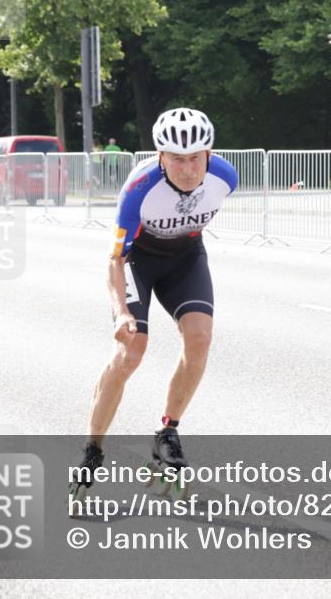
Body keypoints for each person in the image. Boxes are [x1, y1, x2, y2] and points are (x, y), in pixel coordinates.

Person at [68, 108, 238, 496]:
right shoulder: (139, 188)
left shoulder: (226, 177)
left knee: (200, 338)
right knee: (130, 351)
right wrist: (121, 311)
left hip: (186, 258)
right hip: (139, 261)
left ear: (209, 154)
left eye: (195, 157)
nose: (188, 168)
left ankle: (168, 431)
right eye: (177, 159)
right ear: (161, 156)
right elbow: (115, 257)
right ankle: (92, 448)